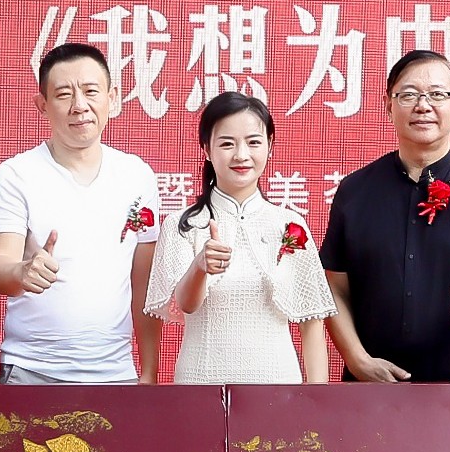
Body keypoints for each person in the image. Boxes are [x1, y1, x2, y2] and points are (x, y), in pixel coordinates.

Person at [320, 50, 450, 382]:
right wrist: (357, 360)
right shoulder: (354, 191)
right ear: (389, 106)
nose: (423, 105)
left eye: (438, 94)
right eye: (409, 94)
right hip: (374, 384)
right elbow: (335, 288)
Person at [0, 42, 164, 385]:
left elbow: (144, 282)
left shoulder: (136, 175)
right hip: (31, 371)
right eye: (64, 94)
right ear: (42, 105)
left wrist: (149, 372)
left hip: (115, 373)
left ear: (112, 97)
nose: (79, 105)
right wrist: (22, 272)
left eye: (90, 91)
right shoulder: (16, 174)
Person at [142, 91, 337, 383]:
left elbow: (312, 322)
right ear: (206, 149)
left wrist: (315, 399)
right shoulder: (183, 224)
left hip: (278, 387)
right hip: (200, 383)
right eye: (227, 144)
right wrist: (200, 266)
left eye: (253, 142)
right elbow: (187, 304)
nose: (241, 155)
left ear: (270, 145)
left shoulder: (289, 224)